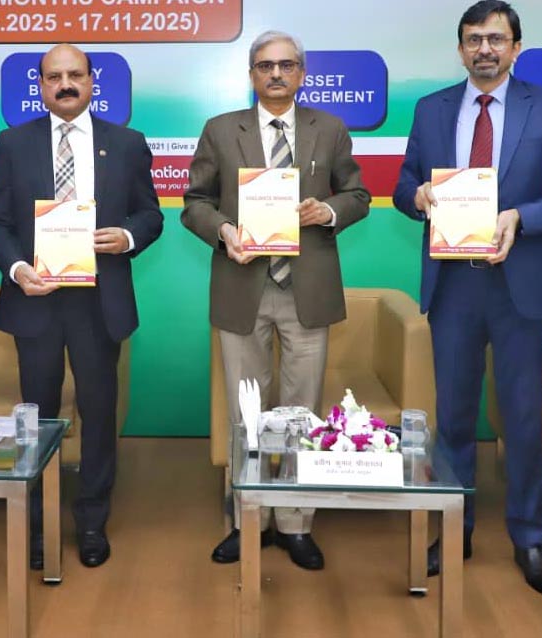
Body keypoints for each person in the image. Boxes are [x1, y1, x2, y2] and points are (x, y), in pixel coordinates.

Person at [393, 1, 542, 595]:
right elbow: (404, 184)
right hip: (453, 285)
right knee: (453, 418)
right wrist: (418, 197)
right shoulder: (431, 109)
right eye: (473, 39)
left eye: (496, 38)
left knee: (523, 418)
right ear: (460, 49)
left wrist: (520, 217)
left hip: (520, 288)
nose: (484, 48)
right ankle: (454, 530)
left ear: (515, 47)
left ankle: (530, 539)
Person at [182, 30, 370, 570]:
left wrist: (327, 211)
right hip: (242, 284)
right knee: (246, 413)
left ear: (302, 73)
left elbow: (357, 195)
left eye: (286, 65)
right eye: (265, 66)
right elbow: (194, 203)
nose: (276, 74)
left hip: (307, 288)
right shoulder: (221, 130)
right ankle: (249, 519)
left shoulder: (329, 128)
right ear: (251, 75)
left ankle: (294, 522)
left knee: (301, 411)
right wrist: (224, 230)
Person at [0, 43, 163, 568]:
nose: (65, 84)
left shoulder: (126, 143)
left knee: (99, 413)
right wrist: (18, 269)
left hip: (98, 301)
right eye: (54, 76)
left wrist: (127, 237)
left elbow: (150, 215)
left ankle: (91, 521)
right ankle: (37, 522)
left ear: (91, 82)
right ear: (40, 85)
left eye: (75, 75)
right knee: (35, 417)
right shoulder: (13, 143)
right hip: (35, 299)